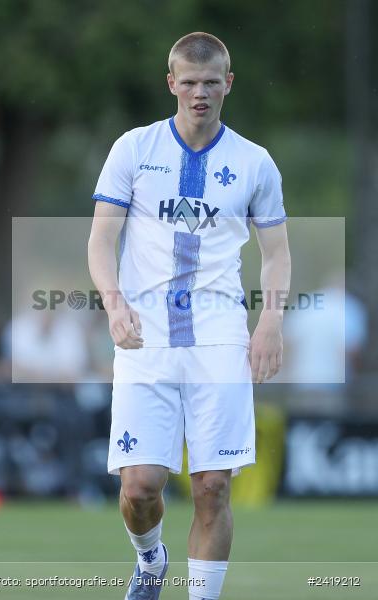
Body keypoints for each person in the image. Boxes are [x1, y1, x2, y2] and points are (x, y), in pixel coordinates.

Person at [88, 32, 291, 600]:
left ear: (228, 84)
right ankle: (151, 559)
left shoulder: (254, 163)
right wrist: (113, 303)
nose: (200, 93)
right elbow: (102, 238)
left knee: (213, 487)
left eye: (211, 82)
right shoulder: (134, 148)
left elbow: (277, 254)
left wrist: (269, 323)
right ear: (171, 83)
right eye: (189, 82)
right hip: (144, 337)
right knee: (140, 485)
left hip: (220, 337)